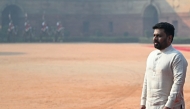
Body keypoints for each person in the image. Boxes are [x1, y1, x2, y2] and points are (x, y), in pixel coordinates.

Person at [140, 22, 188, 109]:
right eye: (154, 35)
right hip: (150, 105)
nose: (155, 38)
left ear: (169, 38)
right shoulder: (151, 55)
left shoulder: (177, 57)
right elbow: (146, 80)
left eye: (159, 36)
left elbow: (178, 84)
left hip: (171, 106)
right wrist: (143, 102)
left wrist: (168, 106)